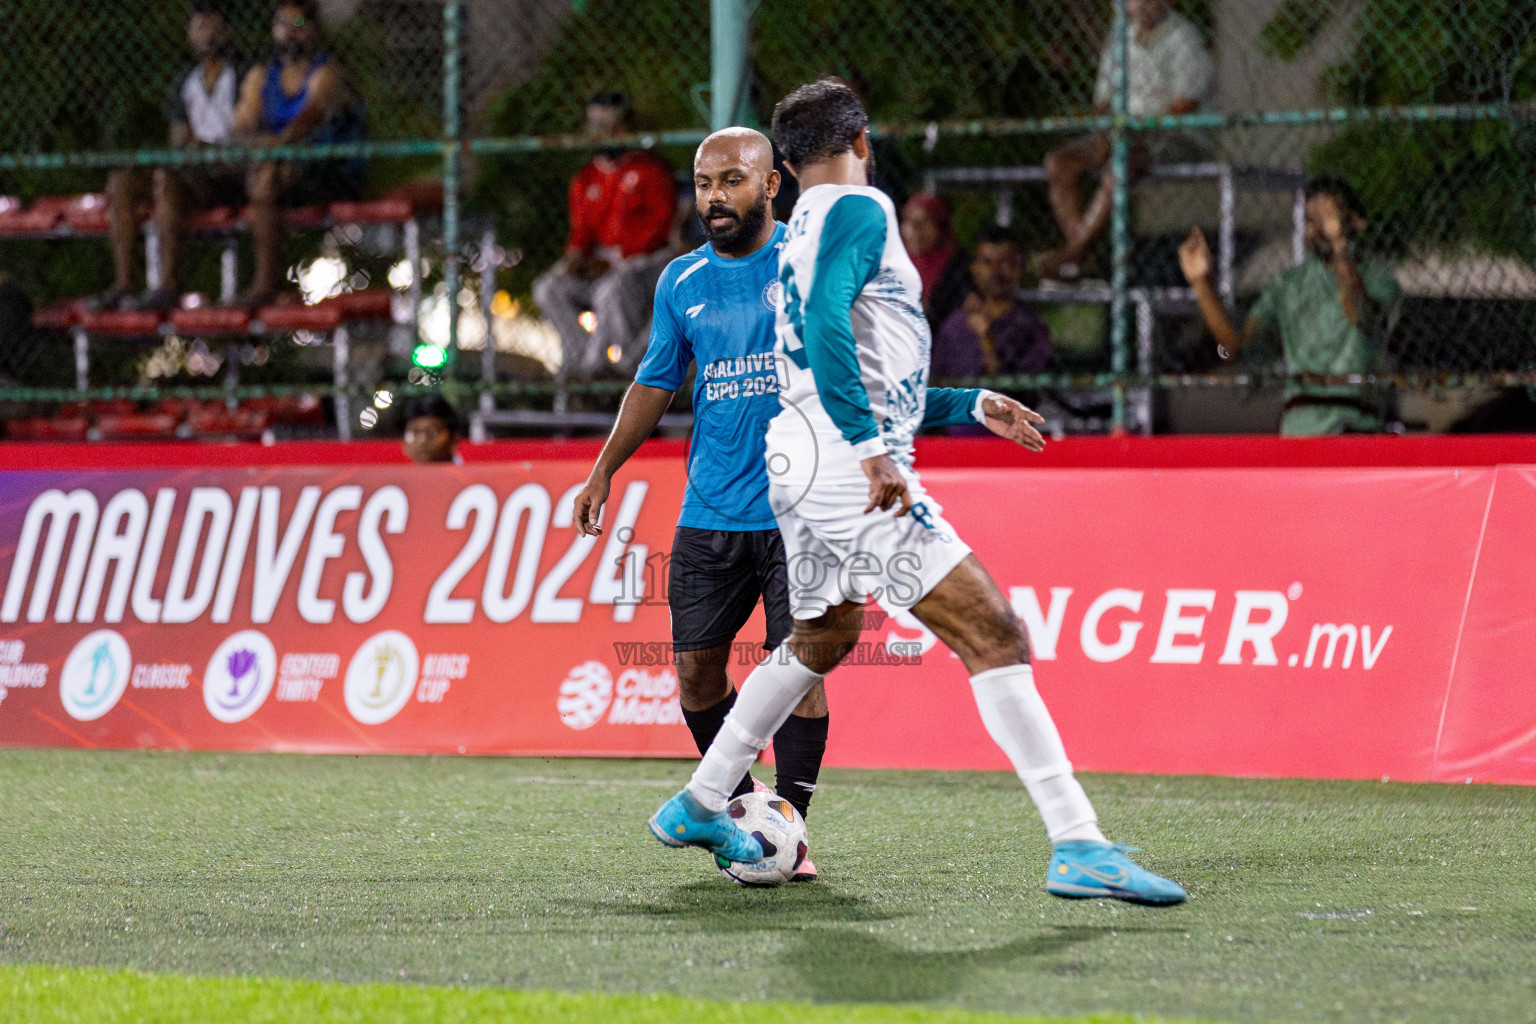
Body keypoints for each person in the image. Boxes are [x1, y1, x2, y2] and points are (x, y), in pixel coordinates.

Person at [648, 79, 1186, 906]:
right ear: (862, 138)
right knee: (993, 632)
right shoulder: (860, 212)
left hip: (796, 455)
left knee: (824, 636)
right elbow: (828, 327)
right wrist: (869, 453)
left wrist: (968, 402)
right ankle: (1078, 842)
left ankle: (700, 799)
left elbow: (853, 361)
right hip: (841, 468)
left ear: (782, 170)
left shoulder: (797, 237)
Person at [577, 127, 1037, 882]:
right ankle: (749, 818)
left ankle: (790, 830)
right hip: (710, 514)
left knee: (801, 671)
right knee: (696, 674)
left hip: (804, 511)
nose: (714, 197)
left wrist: (967, 403)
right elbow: (655, 384)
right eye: (702, 183)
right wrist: (603, 472)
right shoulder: (679, 283)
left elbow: (877, 382)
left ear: (771, 186)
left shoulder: (812, 267)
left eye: (732, 180)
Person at [1178, 177, 1400, 436]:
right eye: (1310, 219)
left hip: (1358, 425)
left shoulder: (1377, 279)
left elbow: (1359, 316)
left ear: (1356, 221)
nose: (1319, 227)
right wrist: (1201, 283)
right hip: (1301, 429)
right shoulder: (1287, 285)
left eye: (1328, 215)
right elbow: (1231, 349)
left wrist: (1340, 248)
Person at [1036, 0, 1214, 283]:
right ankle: (1080, 257)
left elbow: (1184, 105)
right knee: (1059, 162)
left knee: (1119, 162)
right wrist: (1103, 132)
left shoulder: (1183, 37)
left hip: (1173, 136)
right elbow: (1102, 100)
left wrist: (1131, 133)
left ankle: (1073, 255)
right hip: (1122, 135)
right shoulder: (1120, 37)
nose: (1137, 5)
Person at [99, 1, 248, 312]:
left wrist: (207, 151)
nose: (204, 34)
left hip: (230, 172)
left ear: (228, 31)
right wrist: (190, 151)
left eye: (211, 25)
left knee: (168, 179)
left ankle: (167, 285)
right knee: (123, 181)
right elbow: (179, 139)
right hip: (193, 169)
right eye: (197, 27)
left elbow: (246, 134)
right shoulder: (186, 82)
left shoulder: (244, 75)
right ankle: (123, 283)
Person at [532, 92, 677, 381]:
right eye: (593, 123)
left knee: (609, 289)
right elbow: (581, 232)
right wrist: (576, 257)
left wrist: (613, 261)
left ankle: (599, 371)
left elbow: (659, 229)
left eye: (607, 123)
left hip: (643, 263)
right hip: (599, 263)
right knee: (548, 287)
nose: (599, 132)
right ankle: (580, 363)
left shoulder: (649, 169)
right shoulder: (587, 177)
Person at [230, 0, 364, 306]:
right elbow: (241, 128)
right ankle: (263, 285)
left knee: (268, 175)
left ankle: (265, 286)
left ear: (313, 30)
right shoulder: (262, 76)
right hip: (275, 165)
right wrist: (265, 146)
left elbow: (308, 118)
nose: (290, 33)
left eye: (298, 25)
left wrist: (272, 146)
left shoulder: (325, 72)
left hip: (326, 166)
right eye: (282, 25)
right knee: (263, 175)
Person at [933, 224, 1053, 378]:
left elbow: (1021, 393)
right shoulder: (955, 327)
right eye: (987, 262)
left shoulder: (1031, 328)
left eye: (1005, 262)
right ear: (975, 268)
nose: (995, 271)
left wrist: (987, 341)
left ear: (1020, 268)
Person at [899, 194, 969, 331]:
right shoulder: (894, 264)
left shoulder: (958, 266)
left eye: (924, 222)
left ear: (940, 226)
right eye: (909, 221)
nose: (915, 230)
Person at [401, 394, 462, 464]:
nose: (422, 440)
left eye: (432, 432)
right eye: (415, 432)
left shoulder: (467, 474)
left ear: (454, 440)